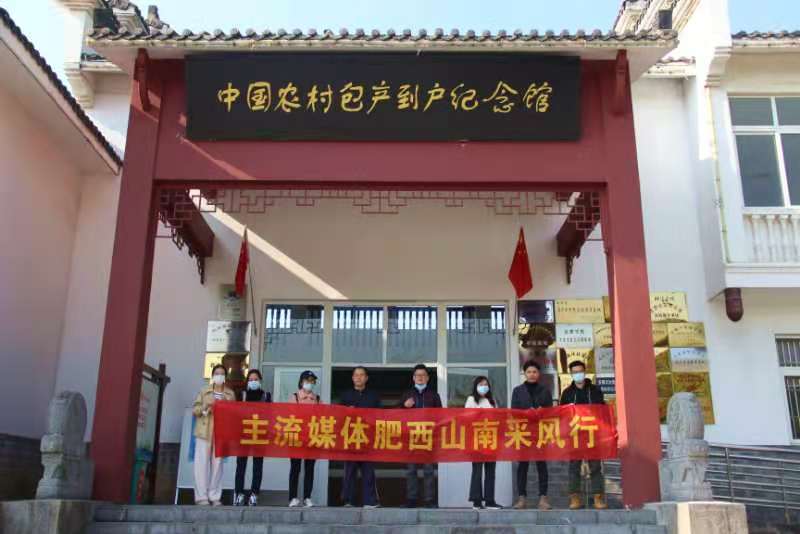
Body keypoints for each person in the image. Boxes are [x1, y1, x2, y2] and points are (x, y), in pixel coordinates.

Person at [560, 360, 608, 510]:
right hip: (575, 435)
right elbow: (562, 414)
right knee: (574, 467)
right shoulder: (567, 393)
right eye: (575, 372)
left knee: (595, 467)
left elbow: (602, 410)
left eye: (580, 371)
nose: (578, 374)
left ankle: (598, 498)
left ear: (585, 371)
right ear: (571, 374)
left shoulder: (595, 390)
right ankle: (575, 498)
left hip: (593, 433)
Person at [510, 360, 552, 510]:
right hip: (523, 433)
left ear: (538, 374)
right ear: (525, 373)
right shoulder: (518, 391)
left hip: (540, 432)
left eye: (534, 372)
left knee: (542, 465)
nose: (532, 374)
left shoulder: (545, 391)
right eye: (529, 372)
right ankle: (522, 499)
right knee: (522, 466)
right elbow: (514, 412)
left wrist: (542, 411)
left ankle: (543, 499)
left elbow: (551, 412)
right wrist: (526, 413)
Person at [192, 363, 236, 506]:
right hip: (204, 430)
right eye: (217, 373)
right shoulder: (204, 391)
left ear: (225, 377)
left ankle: (215, 496)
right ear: (212, 376)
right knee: (201, 464)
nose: (219, 376)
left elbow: (235, 413)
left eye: (222, 374)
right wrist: (205, 407)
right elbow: (195, 410)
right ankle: (201, 497)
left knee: (218, 465)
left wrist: (225, 406)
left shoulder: (230, 394)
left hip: (221, 431)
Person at [399, 364, 442, 508]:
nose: (420, 378)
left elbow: (441, 416)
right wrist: (404, 406)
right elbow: (395, 415)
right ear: (413, 378)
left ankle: (429, 500)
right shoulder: (407, 394)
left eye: (423, 375)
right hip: (411, 437)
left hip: (428, 437)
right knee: (411, 470)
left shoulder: (434, 395)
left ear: (427, 378)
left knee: (428, 470)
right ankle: (411, 499)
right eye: (418, 375)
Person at [340, 366, 381, 508]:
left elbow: (380, 416)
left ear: (366, 378)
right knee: (349, 471)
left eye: (361, 375)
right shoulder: (345, 396)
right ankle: (348, 500)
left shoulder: (373, 396)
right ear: (352, 378)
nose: (359, 377)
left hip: (367, 439)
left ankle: (370, 501)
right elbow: (338, 416)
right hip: (351, 439)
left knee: (368, 471)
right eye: (356, 375)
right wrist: (347, 412)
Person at [234, 369, 272, 507]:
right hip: (244, 433)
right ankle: (239, 493)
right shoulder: (242, 395)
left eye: (255, 379)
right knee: (241, 465)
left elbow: (270, 413)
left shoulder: (266, 395)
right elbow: (235, 413)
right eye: (250, 380)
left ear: (260, 381)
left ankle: (254, 494)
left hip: (259, 433)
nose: (253, 382)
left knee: (257, 466)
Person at [465, 376, 502, 510]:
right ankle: (477, 501)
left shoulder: (492, 401)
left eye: (486, 384)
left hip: (491, 439)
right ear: (476, 386)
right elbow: (467, 418)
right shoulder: (471, 399)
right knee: (477, 471)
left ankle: (490, 500)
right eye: (481, 384)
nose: (483, 387)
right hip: (477, 439)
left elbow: (498, 418)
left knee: (491, 471)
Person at [288, 370, 320, 507]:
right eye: (307, 381)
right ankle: (292, 497)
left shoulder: (317, 399)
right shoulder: (294, 397)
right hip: (296, 437)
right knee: (295, 468)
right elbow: (288, 417)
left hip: (311, 438)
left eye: (312, 381)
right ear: (301, 382)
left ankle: (307, 497)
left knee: (309, 469)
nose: (309, 383)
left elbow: (322, 417)